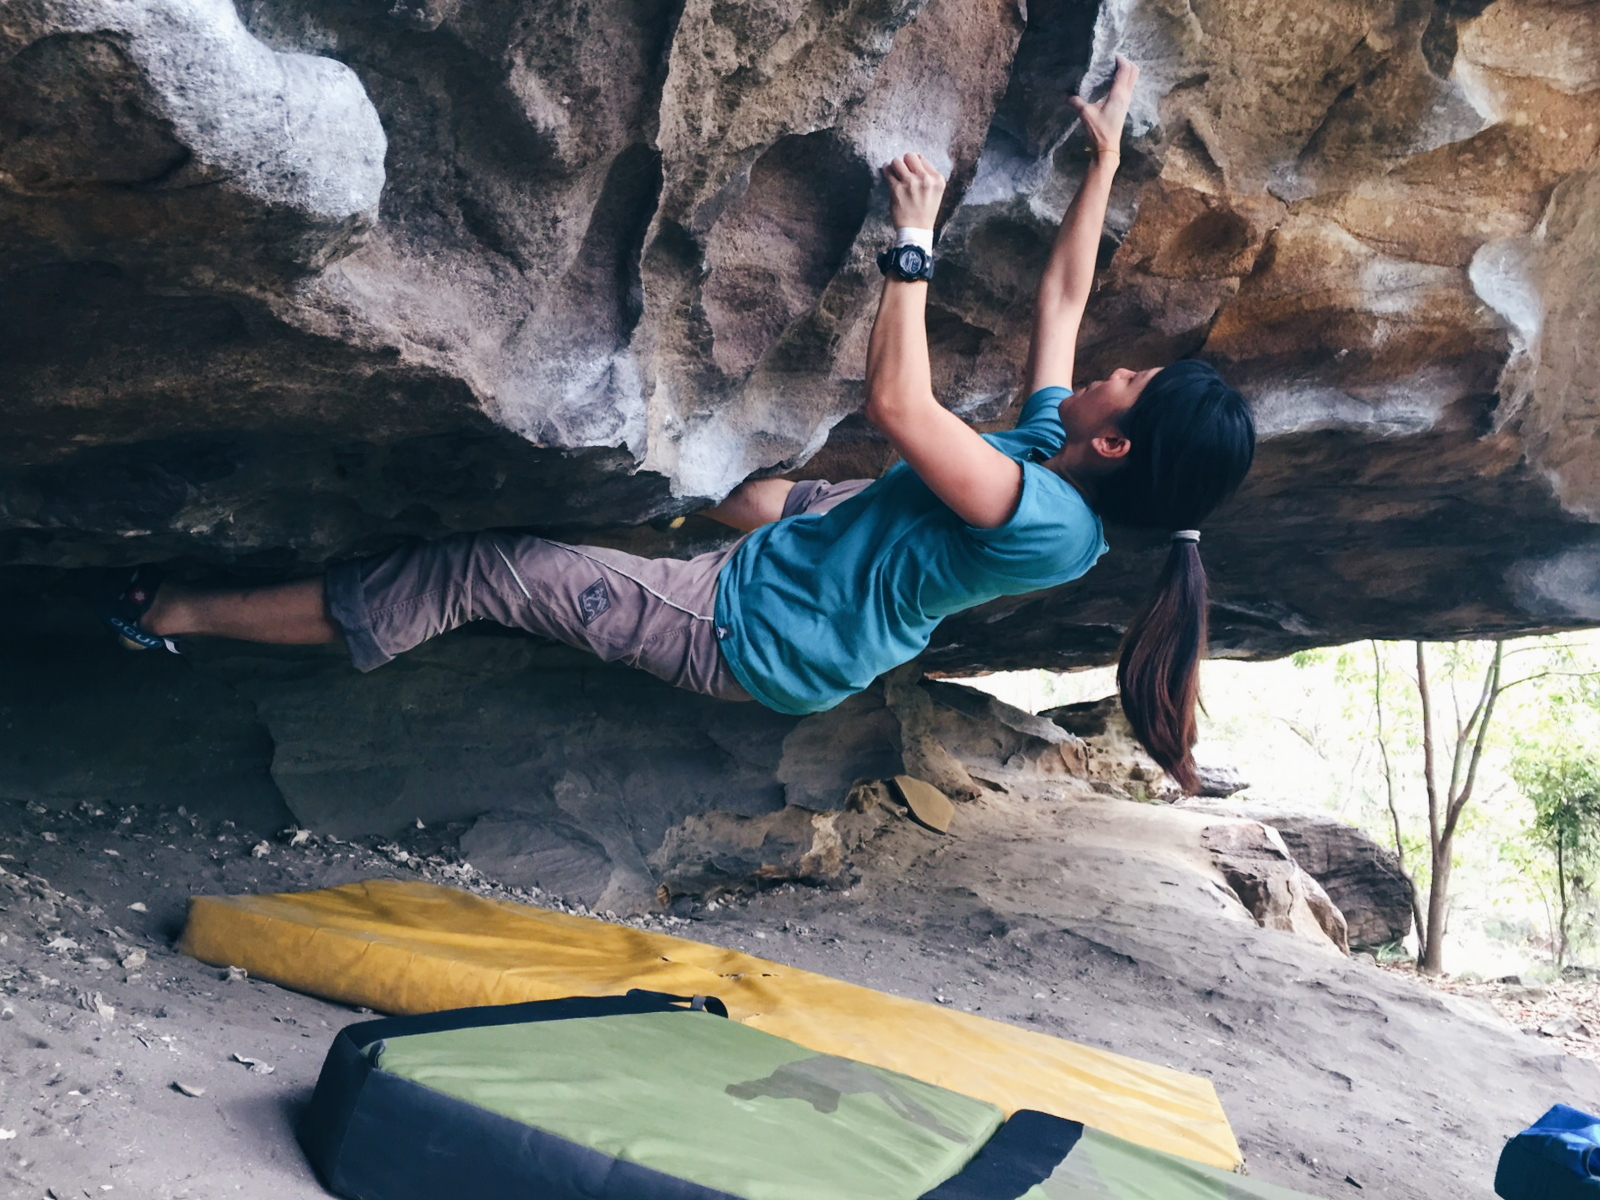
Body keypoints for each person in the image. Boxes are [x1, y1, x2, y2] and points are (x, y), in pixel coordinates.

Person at [95, 56, 1253, 791]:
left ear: (1113, 448)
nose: (1114, 369)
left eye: (1132, 385)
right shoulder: (1064, 458)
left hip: (754, 632)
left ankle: (181, 614)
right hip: (827, 546)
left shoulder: (1050, 521)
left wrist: (911, 241)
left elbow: (901, 407)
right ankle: (678, 537)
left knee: (484, 569)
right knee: (744, 488)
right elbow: (1061, 302)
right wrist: (1099, 158)